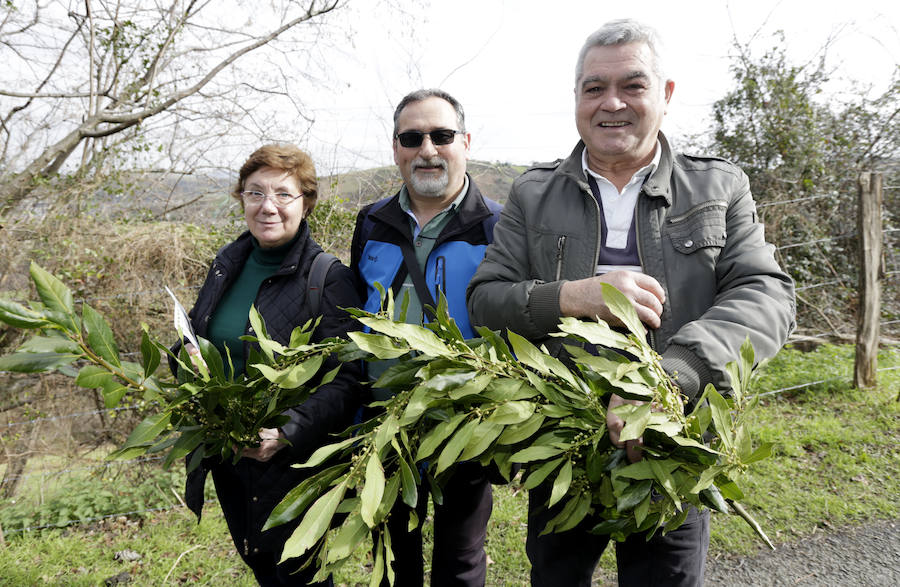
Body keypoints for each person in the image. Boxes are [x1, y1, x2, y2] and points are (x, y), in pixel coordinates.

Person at [467, 19, 795, 587]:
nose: (611, 103)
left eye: (632, 86)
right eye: (594, 88)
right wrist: (575, 296)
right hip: (561, 449)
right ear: (576, 99)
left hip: (673, 447)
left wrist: (673, 378)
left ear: (665, 95)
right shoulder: (533, 193)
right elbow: (486, 300)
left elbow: (766, 295)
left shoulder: (717, 187)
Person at [176, 144, 362, 586]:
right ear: (241, 198)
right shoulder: (228, 264)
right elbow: (203, 337)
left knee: (297, 574)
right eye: (255, 193)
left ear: (306, 202)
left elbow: (348, 378)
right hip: (230, 455)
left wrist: (287, 433)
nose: (267, 206)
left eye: (283, 194)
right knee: (259, 563)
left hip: (290, 464)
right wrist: (181, 360)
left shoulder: (327, 277)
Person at [350, 89, 502, 587]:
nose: (428, 150)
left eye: (441, 135)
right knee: (394, 558)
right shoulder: (371, 222)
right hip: (384, 422)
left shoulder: (499, 226)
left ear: (466, 142)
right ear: (396, 148)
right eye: (412, 138)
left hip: (466, 422)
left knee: (460, 558)